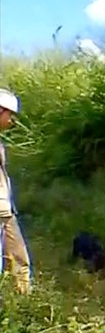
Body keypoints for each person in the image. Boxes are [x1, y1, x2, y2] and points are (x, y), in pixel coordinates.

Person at [0, 88, 32, 294]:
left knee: (19, 260)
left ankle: (24, 306)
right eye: (9, 115)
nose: (11, 121)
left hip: (5, 210)